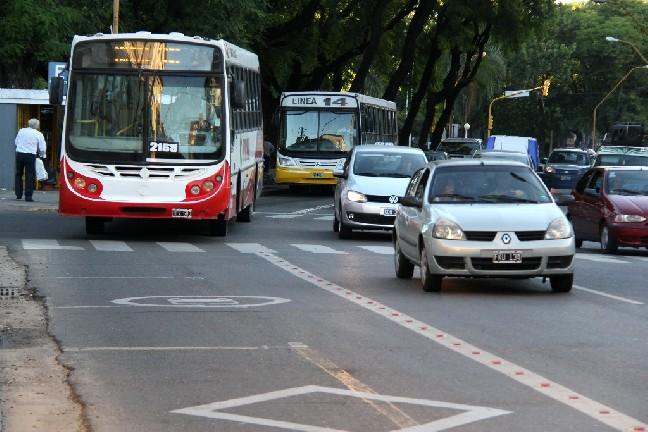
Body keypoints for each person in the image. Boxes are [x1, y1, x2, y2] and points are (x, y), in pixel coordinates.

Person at [14, 118, 46, 202]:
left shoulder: (21, 131)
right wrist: (42, 156)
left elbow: (16, 142)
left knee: (18, 174)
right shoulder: (38, 134)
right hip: (30, 155)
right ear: (36, 125)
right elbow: (42, 147)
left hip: (19, 154)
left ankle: (18, 194)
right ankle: (28, 196)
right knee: (29, 175)